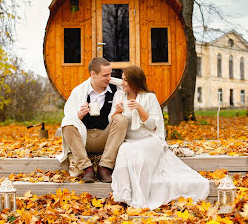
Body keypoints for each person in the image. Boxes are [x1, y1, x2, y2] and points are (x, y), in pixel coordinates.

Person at [110, 65, 209, 209]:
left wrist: (140, 109)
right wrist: (116, 113)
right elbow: (111, 121)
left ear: (135, 81)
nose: (122, 83)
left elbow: (153, 126)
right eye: (122, 79)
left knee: (140, 155)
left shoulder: (149, 97)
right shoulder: (118, 96)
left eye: (126, 80)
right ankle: (125, 194)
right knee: (125, 150)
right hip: (128, 139)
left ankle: (140, 198)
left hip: (149, 138)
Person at [56, 57, 128, 183]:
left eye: (110, 74)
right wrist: (79, 115)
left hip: (105, 137)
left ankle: (105, 167)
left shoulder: (117, 90)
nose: (109, 78)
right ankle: (86, 168)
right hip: (84, 139)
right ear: (93, 74)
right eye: (105, 75)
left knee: (121, 119)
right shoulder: (79, 92)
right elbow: (69, 116)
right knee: (66, 122)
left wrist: (118, 112)